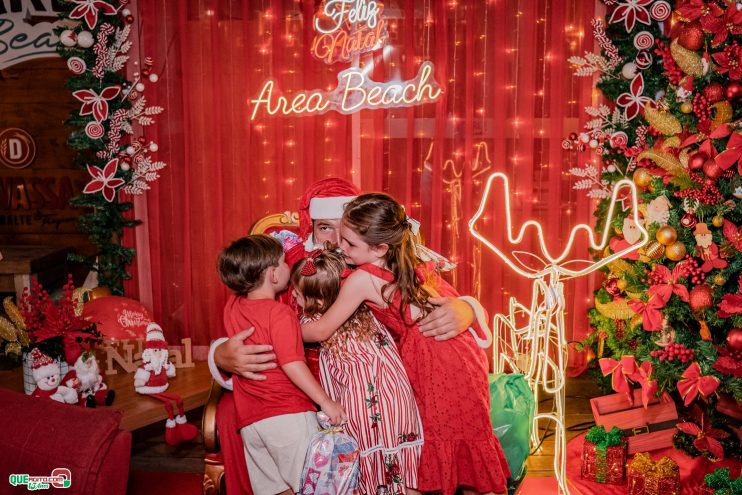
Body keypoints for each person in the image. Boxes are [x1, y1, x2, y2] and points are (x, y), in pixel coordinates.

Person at [301, 193, 509, 495]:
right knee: (467, 437)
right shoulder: (409, 261)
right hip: (460, 353)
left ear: (380, 248)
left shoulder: (362, 279)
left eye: (350, 243)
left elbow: (320, 331)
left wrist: (282, 331)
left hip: (435, 360)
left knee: (448, 436)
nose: (340, 246)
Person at [217, 235, 346, 495]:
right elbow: (293, 364)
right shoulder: (280, 313)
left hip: (251, 422)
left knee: (275, 490)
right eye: (284, 262)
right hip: (287, 415)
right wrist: (325, 402)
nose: (289, 266)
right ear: (273, 275)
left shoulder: (232, 306)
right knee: (315, 486)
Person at [292, 251, 423, 495]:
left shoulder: (317, 322)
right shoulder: (365, 309)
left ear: (319, 302)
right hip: (397, 397)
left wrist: (277, 330)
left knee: (369, 464)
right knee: (402, 467)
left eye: (297, 294)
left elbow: (294, 335)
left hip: (363, 402)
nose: (292, 296)